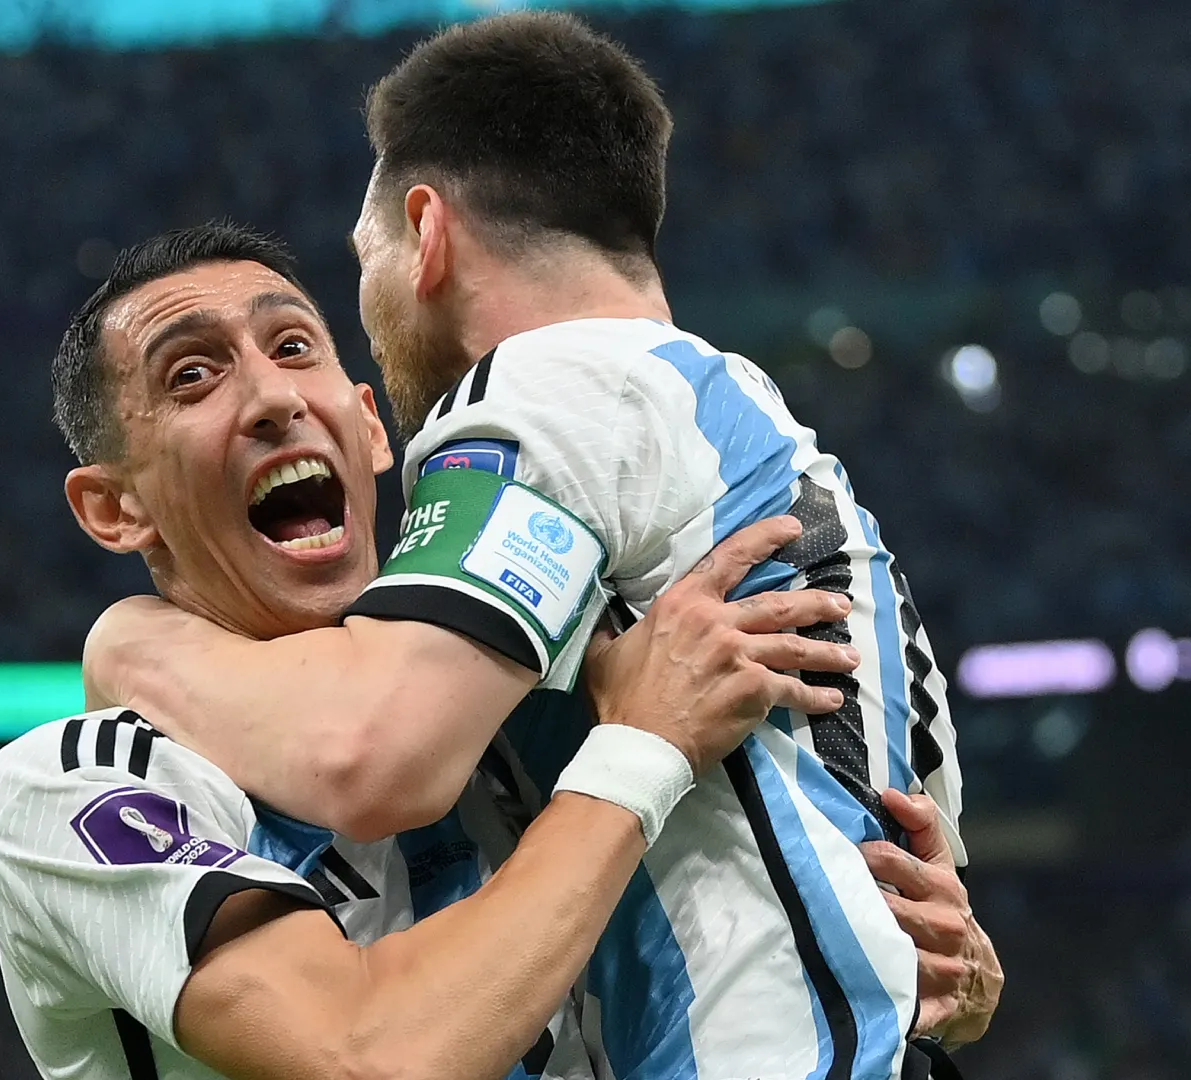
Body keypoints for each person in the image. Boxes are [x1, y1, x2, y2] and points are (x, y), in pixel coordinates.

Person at [88, 14, 1002, 1078]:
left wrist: (133, 646)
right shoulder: (741, 438)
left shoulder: (548, 388)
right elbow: (929, 907)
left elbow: (371, 759)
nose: (365, 317)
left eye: (363, 264)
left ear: (426, 232)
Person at [0, 225, 870, 1080]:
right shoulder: (62, 791)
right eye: (192, 376)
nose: (274, 399)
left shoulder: (505, 722)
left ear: (369, 428)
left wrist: (893, 950)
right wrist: (641, 750)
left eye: (292, 348)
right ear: (114, 508)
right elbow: (368, 1054)